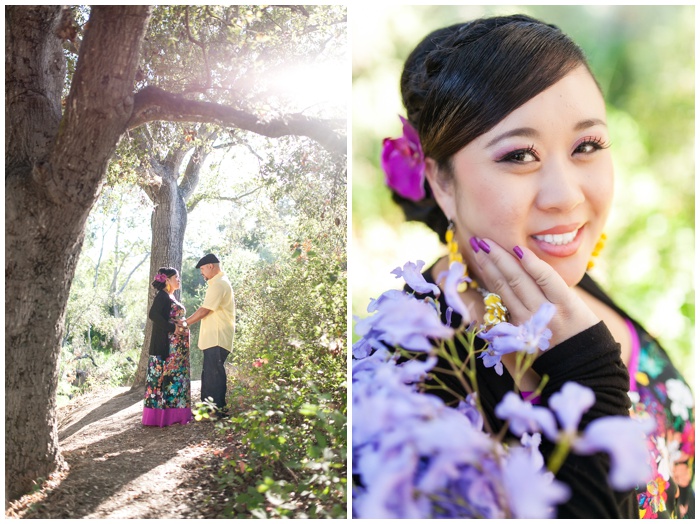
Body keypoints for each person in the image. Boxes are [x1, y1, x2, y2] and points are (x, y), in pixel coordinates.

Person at [375, 14, 694, 518]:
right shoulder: (407, 376)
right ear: (440, 181)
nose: (566, 196)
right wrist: (588, 374)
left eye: (586, 146)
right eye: (521, 155)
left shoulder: (561, 282)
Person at [182, 253, 235, 418]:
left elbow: (205, 309)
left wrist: (185, 322)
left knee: (214, 374)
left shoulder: (218, 284)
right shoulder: (218, 282)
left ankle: (215, 411)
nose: (202, 274)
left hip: (217, 337)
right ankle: (210, 410)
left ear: (211, 266)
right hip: (215, 337)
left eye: (202, 270)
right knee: (210, 372)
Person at [142, 267, 193, 427]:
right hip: (167, 350)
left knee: (175, 381)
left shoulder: (170, 296)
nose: (179, 280)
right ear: (167, 280)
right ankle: (161, 418)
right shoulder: (162, 296)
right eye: (176, 277)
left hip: (177, 351)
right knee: (165, 381)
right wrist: (173, 328)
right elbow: (153, 315)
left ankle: (176, 415)